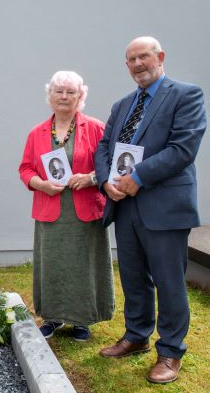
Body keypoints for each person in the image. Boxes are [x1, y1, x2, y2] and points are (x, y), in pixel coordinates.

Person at [95, 36, 206, 384]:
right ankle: (137, 335)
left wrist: (138, 178)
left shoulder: (186, 94)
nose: (137, 64)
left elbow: (183, 147)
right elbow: (103, 147)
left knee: (169, 281)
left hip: (164, 205)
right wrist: (105, 182)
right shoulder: (122, 104)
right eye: (131, 59)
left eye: (143, 56)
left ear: (160, 57)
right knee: (133, 276)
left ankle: (171, 351)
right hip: (125, 207)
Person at [19, 70, 114, 342]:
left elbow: (109, 165)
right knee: (52, 264)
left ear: (80, 97)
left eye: (71, 92)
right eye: (59, 91)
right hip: (50, 210)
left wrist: (91, 178)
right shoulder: (36, 133)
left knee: (84, 265)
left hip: (85, 211)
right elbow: (25, 168)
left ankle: (82, 319)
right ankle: (52, 317)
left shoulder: (95, 128)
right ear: (50, 96)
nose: (64, 96)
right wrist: (41, 184)